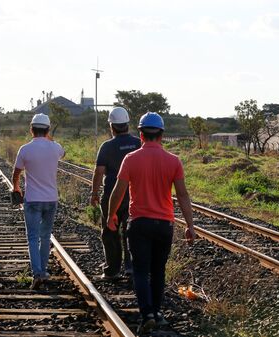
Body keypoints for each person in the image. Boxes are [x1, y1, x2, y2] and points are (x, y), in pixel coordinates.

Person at [107, 112, 197, 335]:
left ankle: (146, 313)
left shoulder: (131, 159)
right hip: (164, 224)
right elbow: (183, 196)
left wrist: (111, 216)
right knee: (158, 271)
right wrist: (190, 225)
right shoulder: (173, 161)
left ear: (141, 134)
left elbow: (118, 191)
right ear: (162, 135)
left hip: (139, 223)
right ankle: (157, 313)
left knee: (140, 271)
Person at [12, 113, 65, 290]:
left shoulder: (25, 149)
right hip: (51, 199)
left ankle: (37, 273)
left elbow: (16, 173)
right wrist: (49, 137)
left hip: (33, 199)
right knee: (45, 236)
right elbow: (62, 154)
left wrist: (16, 188)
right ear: (48, 130)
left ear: (31, 129)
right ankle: (43, 270)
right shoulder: (56, 148)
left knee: (33, 237)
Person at [90, 107, 141, 280]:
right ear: (127, 124)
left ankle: (112, 269)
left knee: (110, 231)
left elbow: (99, 172)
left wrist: (94, 193)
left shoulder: (106, 146)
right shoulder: (137, 143)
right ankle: (131, 268)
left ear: (111, 126)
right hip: (134, 196)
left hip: (112, 195)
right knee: (132, 231)